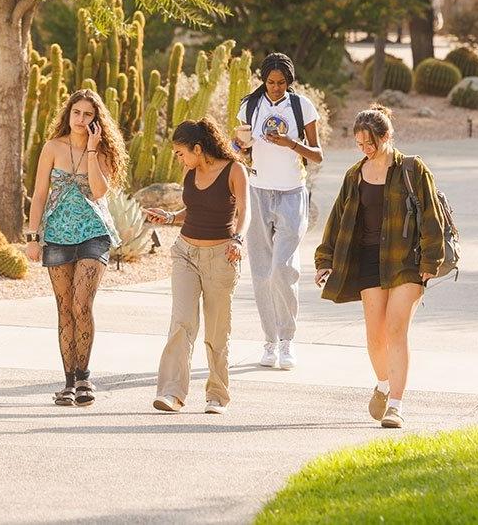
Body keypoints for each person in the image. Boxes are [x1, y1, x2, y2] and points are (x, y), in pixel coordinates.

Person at [314, 103, 445, 429]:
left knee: (396, 329)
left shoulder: (413, 170)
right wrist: (325, 259)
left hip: (406, 261)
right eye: (359, 144)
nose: (365, 149)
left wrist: (431, 260)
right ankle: (384, 384)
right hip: (369, 261)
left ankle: (396, 406)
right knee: (375, 337)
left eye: (369, 143)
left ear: (387, 136)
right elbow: (338, 219)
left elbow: (432, 217)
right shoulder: (355, 174)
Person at [25, 89, 127, 407]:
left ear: (96, 120)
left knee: (82, 305)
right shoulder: (53, 147)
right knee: (65, 309)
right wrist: (32, 237)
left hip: (93, 233)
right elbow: (39, 194)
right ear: (68, 114)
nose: (81, 119)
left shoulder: (104, 151)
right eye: (76, 113)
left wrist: (94, 150)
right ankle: (68, 382)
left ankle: (84, 377)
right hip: (56, 233)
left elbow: (98, 193)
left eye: (88, 114)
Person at [145, 118, 250, 415]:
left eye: (181, 153)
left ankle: (217, 395)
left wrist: (238, 240)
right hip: (186, 254)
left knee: (217, 331)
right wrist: (169, 218)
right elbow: (194, 209)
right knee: (181, 323)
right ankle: (171, 393)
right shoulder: (190, 171)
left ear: (198, 148)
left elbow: (245, 210)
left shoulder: (234, 170)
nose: (179, 159)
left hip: (222, 256)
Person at [234, 52, 323, 370]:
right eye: (270, 83)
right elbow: (238, 147)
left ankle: (288, 341)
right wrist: (239, 144)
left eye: (281, 83)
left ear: (290, 83)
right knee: (261, 272)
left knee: (283, 268)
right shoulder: (250, 106)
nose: (275, 88)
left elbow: (317, 155)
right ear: (263, 80)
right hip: (258, 192)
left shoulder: (302, 107)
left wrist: (290, 144)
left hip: (291, 194)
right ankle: (270, 342)